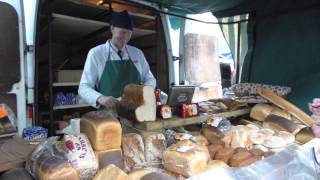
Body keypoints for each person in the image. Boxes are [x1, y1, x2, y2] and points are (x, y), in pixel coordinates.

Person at [78, 10, 156, 109]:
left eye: (129, 33)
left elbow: (150, 79)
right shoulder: (96, 53)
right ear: (112, 29)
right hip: (109, 112)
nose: (126, 37)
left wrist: (144, 91)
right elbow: (83, 87)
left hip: (135, 110)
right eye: (122, 32)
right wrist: (101, 98)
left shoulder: (137, 53)